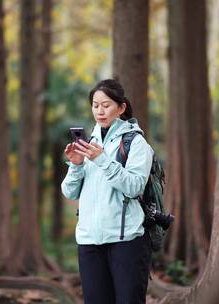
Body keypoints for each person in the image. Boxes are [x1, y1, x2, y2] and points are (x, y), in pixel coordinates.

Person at [61, 79, 154, 303]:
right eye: (95, 105)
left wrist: (102, 159)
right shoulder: (89, 143)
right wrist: (76, 164)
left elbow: (134, 187)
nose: (100, 111)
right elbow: (70, 193)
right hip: (89, 242)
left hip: (126, 241)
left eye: (106, 105)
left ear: (121, 108)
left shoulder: (136, 143)